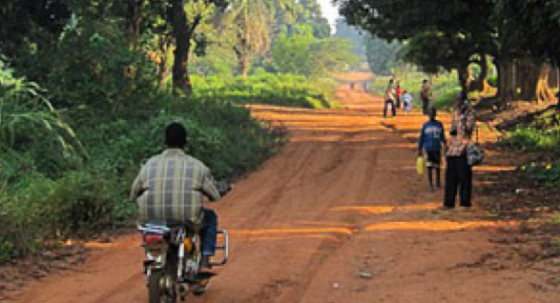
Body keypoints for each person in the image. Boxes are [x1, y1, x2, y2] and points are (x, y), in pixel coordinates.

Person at [131, 122, 227, 268]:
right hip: (186, 217)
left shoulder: (149, 164)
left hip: (151, 218)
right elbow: (215, 196)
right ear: (185, 141)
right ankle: (206, 258)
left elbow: (133, 193)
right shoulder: (197, 166)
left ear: (165, 141)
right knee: (210, 217)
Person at [444, 93, 476, 208]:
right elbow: (452, 129)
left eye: (460, 100)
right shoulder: (455, 113)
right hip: (453, 148)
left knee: (464, 177)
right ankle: (449, 202)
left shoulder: (470, 113)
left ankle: (465, 202)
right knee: (451, 177)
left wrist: (463, 116)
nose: (458, 103)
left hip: (463, 147)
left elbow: (469, 129)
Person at [418, 108, 446, 192]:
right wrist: (420, 149)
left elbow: (442, 137)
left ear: (435, 114)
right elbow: (422, 138)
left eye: (433, 114)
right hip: (428, 148)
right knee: (429, 166)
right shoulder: (425, 125)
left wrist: (446, 145)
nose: (432, 116)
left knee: (437, 166)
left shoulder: (439, 124)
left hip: (437, 148)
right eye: (430, 114)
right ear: (428, 115)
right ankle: (431, 184)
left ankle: (438, 181)